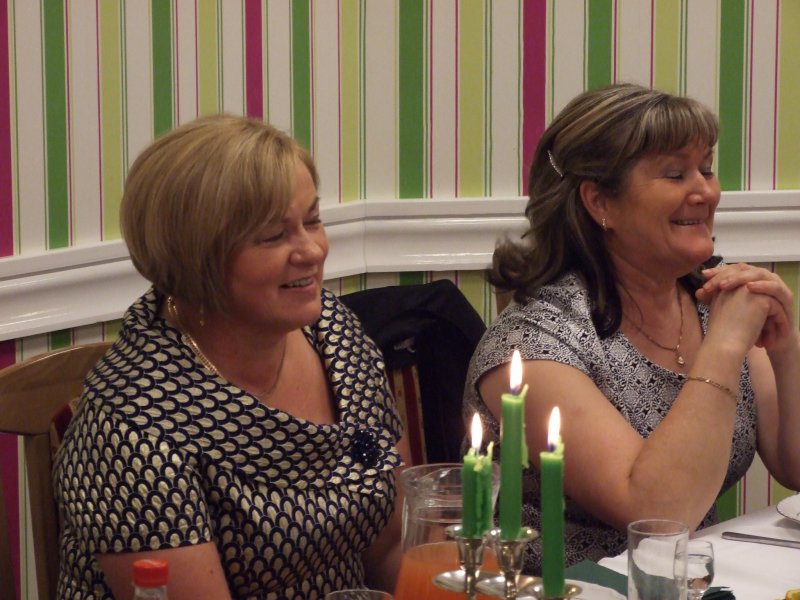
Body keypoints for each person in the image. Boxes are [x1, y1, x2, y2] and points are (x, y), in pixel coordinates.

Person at [53, 114, 412, 599]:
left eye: (312, 220)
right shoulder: (132, 430)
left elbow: (391, 547)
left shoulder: (334, 333)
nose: (312, 250)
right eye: (273, 236)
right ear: (196, 256)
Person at [463, 83, 800, 573]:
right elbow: (658, 514)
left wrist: (786, 348)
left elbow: (794, 466)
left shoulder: (709, 300)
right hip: (564, 587)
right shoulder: (535, 342)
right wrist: (726, 347)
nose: (706, 192)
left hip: (685, 580)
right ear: (600, 202)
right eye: (675, 174)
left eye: (706, 169)